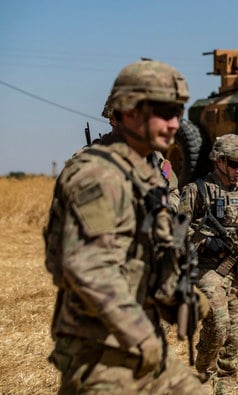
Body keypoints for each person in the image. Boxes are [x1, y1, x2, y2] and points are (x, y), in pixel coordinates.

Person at [44, 59, 207, 394]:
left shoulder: (146, 173)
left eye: (178, 112)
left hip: (137, 334)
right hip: (99, 348)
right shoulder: (95, 176)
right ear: (127, 112)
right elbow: (88, 270)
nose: (175, 123)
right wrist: (142, 337)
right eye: (163, 111)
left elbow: (148, 250)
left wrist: (179, 297)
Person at [178, 133, 238, 394]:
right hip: (208, 269)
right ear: (219, 161)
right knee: (218, 323)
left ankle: (226, 385)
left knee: (234, 334)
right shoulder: (197, 190)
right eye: (233, 164)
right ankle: (203, 374)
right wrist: (203, 242)